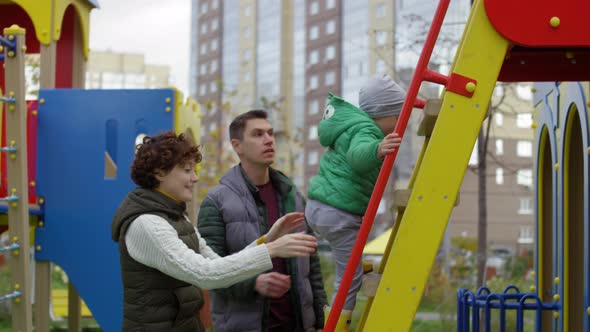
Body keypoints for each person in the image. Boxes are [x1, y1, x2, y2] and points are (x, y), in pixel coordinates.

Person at [111, 131, 318, 331]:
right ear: (159, 173)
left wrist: (266, 241)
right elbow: (206, 275)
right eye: (186, 170)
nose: (195, 178)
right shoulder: (147, 224)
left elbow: (215, 265)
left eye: (194, 170)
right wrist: (271, 250)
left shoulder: (174, 216)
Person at [198, 110, 328, 332]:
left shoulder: (292, 196)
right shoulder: (216, 201)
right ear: (237, 145)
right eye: (258, 134)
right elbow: (208, 272)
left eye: (270, 133)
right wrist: (254, 284)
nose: (268, 140)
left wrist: (321, 319)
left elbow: (311, 266)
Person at [305, 74, 406, 328]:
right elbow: (357, 157)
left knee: (347, 254)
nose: (399, 125)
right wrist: (377, 149)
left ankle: (354, 261)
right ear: (383, 115)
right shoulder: (367, 130)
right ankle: (337, 325)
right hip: (338, 213)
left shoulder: (351, 126)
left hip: (319, 208)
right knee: (350, 278)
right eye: (398, 117)